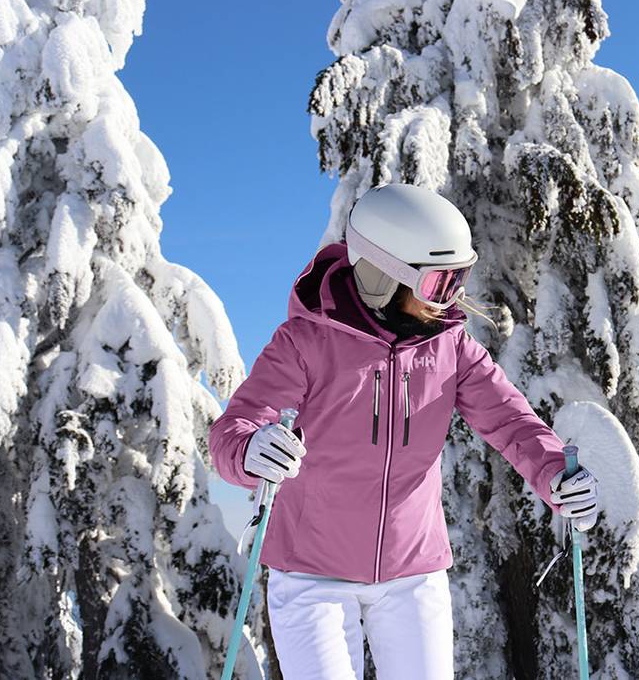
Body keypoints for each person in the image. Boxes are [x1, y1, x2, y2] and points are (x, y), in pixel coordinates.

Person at [209, 184, 600, 680]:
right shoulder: (306, 342)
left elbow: (510, 421)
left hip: (413, 572)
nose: (451, 299)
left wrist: (555, 477)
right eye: (440, 283)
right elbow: (232, 431)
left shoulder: (450, 347)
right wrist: (250, 449)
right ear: (382, 275)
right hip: (311, 574)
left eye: (460, 279)